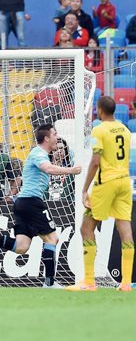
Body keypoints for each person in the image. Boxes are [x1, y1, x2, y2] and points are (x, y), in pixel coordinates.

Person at [0, 124, 82, 288]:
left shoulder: (41, 154)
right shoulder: (38, 153)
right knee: (52, 238)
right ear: (47, 138)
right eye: (55, 134)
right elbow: (47, 168)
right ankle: (49, 283)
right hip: (31, 202)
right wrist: (71, 170)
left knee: (21, 247)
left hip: (22, 203)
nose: (57, 136)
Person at [67, 97, 133, 292]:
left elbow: (95, 162)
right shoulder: (125, 130)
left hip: (106, 184)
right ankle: (126, 283)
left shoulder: (99, 130)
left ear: (100, 110)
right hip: (124, 182)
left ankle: (88, 281)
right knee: (125, 230)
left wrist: (84, 188)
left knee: (86, 228)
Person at [43, 137, 74, 202]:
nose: (59, 151)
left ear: (65, 151)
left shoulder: (71, 170)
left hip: (66, 207)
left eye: (61, 148)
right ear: (51, 151)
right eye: (56, 149)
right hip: (46, 205)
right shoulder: (44, 169)